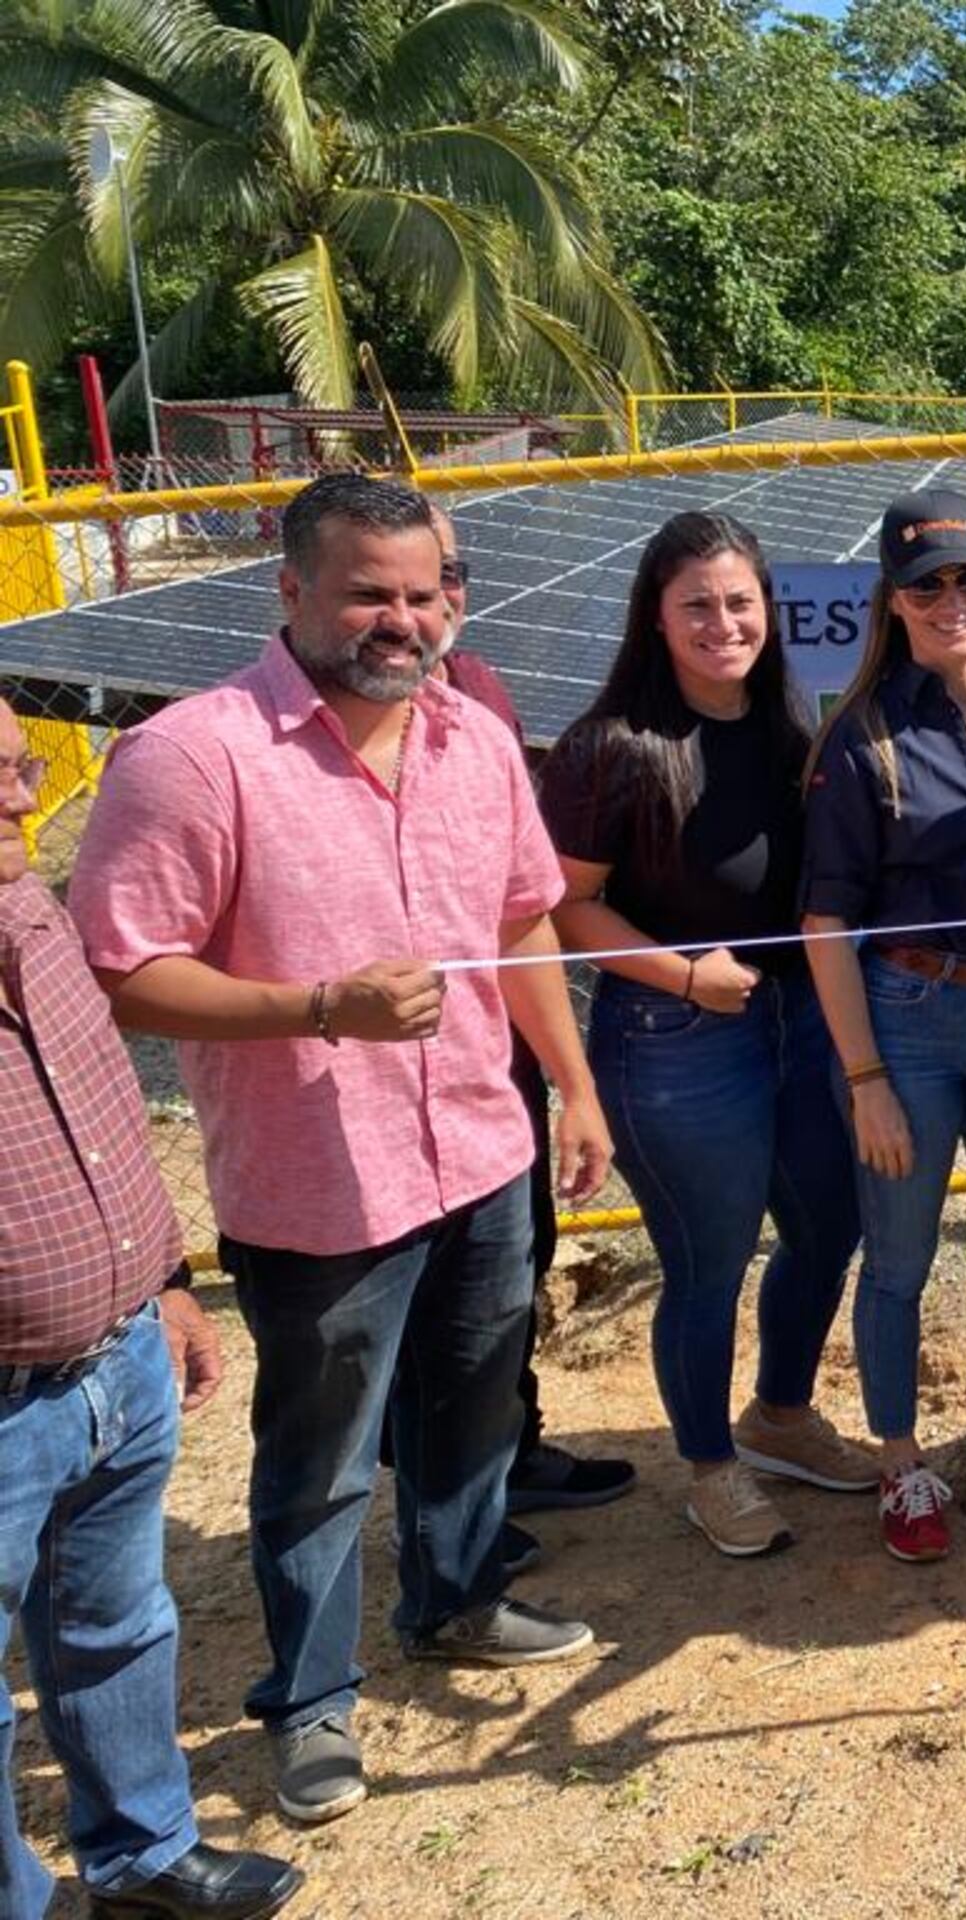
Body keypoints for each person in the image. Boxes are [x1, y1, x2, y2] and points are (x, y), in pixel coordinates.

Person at [67, 473, 611, 1829]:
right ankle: (311, 1707)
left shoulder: (474, 742)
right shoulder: (195, 757)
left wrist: (575, 1087)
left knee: (476, 1404)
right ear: (293, 590)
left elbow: (525, 923)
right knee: (317, 1463)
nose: (403, 619)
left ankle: (459, 1598)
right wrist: (320, 1009)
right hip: (317, 1185)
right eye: (370, 591)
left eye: (428, 593)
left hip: (481, 1147)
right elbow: (122, 975)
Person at [2, 698, 303, 1920]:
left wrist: (166, 1284)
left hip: (115, 1357)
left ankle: (142, 1856)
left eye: (18, 765)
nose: (26, 798)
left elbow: (108, 1113)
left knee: (117, 1622)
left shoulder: (33, 911)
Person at [537, 511, 869, 1560]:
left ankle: (777, 1418)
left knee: (828, 1230)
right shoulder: (609, 748)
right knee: (709, 1264)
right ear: (656, 618)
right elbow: (566, 909)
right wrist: (685, 973)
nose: (723, 624)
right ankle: (711, 1472)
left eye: (740, 602)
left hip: (798, 1024)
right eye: (698, 606)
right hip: (675, 1037)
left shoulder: (790, 723)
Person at [802, 490, 966, 1564]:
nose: (950, 599)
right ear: (893, 602)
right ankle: (903, 1460)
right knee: (901, 1257)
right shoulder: (858, 737)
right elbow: (824, 923)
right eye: (926, 584)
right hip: (905, 1019)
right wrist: (862, 1074)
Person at [418, 508, 636, 1572]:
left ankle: (512, 1455)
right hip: (395, 1069)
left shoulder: (483, 696)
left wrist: (566, 1077)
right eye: (397, 582)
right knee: (421, 1318)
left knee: (509, 1275)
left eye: (445, 575)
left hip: (499, 1056)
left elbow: (521, 906)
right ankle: (443, 1526)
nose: (428, 602)